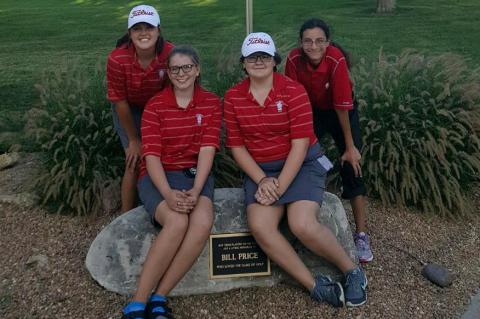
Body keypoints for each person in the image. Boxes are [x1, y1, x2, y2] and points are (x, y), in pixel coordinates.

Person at [224, 32, 367, 308]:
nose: (258, 61)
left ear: (274, 60)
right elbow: (237, 147)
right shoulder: (233, 97)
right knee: (260, 226)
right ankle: (314, 285)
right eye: (252, 57)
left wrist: (277, 186)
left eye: (264, 56)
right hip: (261, 170)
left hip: (301, 164)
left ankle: (352, 271)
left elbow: (300, 144)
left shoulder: (292, 90)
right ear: (243, 63)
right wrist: (262, 179)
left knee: (301, 223)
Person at [120, 46, 221, 319]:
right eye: (175, 68)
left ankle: (160, 297)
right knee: (177, 221)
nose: (181, 73)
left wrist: (197, 190)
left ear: (197, 69)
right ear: (168, 72)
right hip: (158, 175)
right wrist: (167, 194)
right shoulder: (156, 105)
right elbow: (151, 156)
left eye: (187, 67)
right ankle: (138, 303)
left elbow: (207, 151)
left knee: (201, 222)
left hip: (195, 175)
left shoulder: (211, 102)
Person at [285, 18, 373, 263]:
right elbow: (293, 98)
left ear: (328, 42)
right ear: (301, 43)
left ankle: (361, 234)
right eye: (307, 41)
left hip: (341, 113)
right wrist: (301, 141)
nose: (313, 46)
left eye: (319, 41)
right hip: (310, 111)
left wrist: (349, 146)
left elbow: (342, 105)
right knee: (297, 157)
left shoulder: (335, 59)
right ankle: (297, 223)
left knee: (352, 164)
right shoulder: (293, 59)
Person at [107, 4, 174, 212]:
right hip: (128, 109)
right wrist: (134, 140)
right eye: (137, 28)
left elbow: (170, 93)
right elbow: (120, 102)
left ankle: (161, 206)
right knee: (134, 159)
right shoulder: (117, 59)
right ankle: (124, 216)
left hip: (159, 108)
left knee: (161, 156)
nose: (144, 33)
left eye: (149, 27)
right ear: (130, 33)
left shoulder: (170, 54)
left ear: (158, 30)